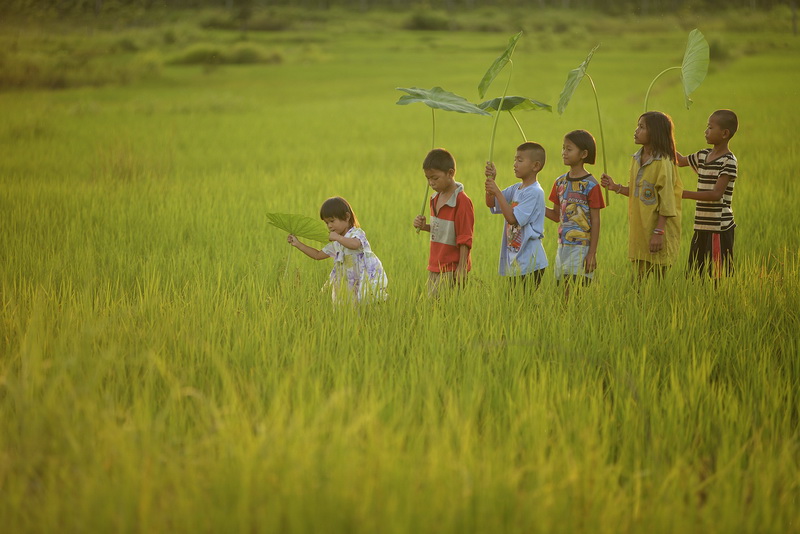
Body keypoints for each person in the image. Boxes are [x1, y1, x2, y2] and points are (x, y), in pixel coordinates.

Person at [600, 111, 683, 280]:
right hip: (640, 230)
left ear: (655, 132)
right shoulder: (637, 158)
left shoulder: (663, 162)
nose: (636, 130)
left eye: (642, 127)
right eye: (637, 126)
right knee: (637, 279)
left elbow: (667, 201)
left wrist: (658, 233)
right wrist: (615, 187)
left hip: (659, 231)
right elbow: (637, 191)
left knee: (660, 279)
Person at [287, 196, 387, 304]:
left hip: (364, 277)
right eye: (326, 223)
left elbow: (355, 244)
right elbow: (318, 255)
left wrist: (338, 238)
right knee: (349, 307)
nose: (329, 226)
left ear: (347, 217)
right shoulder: (337, 243)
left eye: (332, 221)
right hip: (348, 281)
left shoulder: (356, 233)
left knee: (367, 303)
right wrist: (298, 244)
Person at [676, 109, 739, 279]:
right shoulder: (703, 155)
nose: (706, 131)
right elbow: (680, 161)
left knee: (717, 276)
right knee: (696, 274)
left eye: (710, 128)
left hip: (718, 228)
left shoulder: (728, 161)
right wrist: (663, 142)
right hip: (701, 225)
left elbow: (716, 194)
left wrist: (684, 194)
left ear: (725, 133)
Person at [545, 130, 605, 296]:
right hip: (562, 245)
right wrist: (538, 207)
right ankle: (565, 318)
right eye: (563, 148)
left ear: (583, 154)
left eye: (569, 149)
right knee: (563, 289)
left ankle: (574, 318)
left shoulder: (591, 185)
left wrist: (592, 253)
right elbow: (557, 216)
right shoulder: (560, 182)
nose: (564, 152)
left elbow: (596, 220)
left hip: (581, 248)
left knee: (576, 291)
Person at [484, 142, 548, 288]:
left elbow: (512, 219)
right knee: (515, 301)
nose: (515, 164)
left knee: (523, 303)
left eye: (520, 160)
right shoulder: (516, 189)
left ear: (535, 166)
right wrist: (491, 182)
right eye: (515, 160)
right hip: (516, 260)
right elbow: (491, 202)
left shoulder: (534, 192)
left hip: (531, 262)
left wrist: (497, 191)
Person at [413, 148, 474, 297]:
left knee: (439, 308)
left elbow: (465, 236)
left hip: (451, 268)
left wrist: (461, 267)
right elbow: (441, 229)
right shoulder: (434, 198)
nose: (430, 183)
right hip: (434, 264)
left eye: (435, 178)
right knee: (433, 308)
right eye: (427, 178)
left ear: (450, 173)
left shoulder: (461, 201)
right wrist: (424, 226)